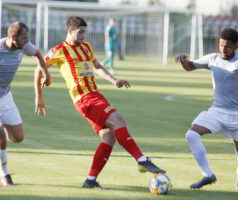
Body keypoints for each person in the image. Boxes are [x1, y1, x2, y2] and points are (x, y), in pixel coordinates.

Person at [34, 16, 165, 189]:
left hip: (95, 95)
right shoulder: (59, 50)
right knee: (118, 120)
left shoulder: (87, 47)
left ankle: (90, 180)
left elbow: (97, 67)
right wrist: (39, 96)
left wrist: (114, 80)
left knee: (109, 137)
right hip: (84, 99)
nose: (84, 36)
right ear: (70, 31)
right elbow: (39, 68)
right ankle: (141, 159)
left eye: (85, 32)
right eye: (80, 32)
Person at [176, 28, 238, 189]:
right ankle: (208, 175)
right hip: (217, 111)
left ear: (235, 46)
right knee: (192, 135)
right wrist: (183, 60)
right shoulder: (213, 58)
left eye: (228, 47)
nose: (223, 49)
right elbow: (190, 66)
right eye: (221, 45)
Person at [0, 21, 51, 186]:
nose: (27, 42)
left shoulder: (23, 45)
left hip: (5, 96)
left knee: (18, 137)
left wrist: (46, 74)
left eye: (27, 38)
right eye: (24, 38)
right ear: (12, 37)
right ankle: (5, 175)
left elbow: (38, 53)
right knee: (1, 138)